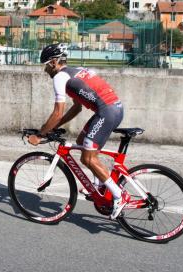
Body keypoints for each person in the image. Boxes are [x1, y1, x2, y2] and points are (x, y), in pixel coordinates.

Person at [28, 43, 129, 219]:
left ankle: (119, 196)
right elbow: (77, 108)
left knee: (87, 158)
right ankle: (99, 186)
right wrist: (57, 125)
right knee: (83, 143)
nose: (45, 71)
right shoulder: (77, 71)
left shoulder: (60, 77)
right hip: (113, 108)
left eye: (45, 65)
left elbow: (58, 111)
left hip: (106, 112)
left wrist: (40, 134)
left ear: (53, 62)